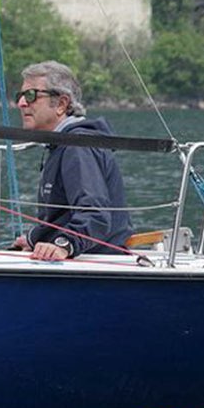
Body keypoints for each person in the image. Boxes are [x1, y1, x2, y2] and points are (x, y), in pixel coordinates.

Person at [11, 61, 133, 260]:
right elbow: (63, 216)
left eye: (31, 95)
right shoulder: (61, 144)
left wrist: (64, 245)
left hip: (96, 260)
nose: (22, 103)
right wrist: (35, 237)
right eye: (21, 96)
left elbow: (95, 215)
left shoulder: (77, 147)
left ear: (61, 104)